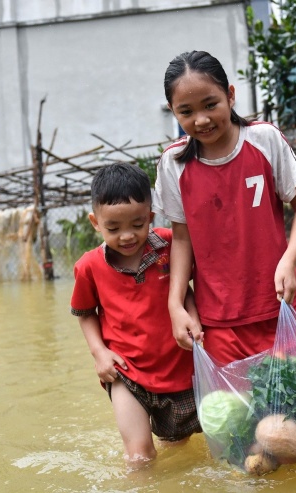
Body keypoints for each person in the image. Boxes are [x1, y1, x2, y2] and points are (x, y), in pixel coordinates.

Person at [153, 50, 296, 365]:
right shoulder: (173, 164)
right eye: (186, 111)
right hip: (217, 321)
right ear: (174, 113)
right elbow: (182, 238)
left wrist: (288, 261)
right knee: (238, 414)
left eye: (210, 105)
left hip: (281, 304)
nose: (201, 120)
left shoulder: (265, 140)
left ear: (230, 96)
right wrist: (176, 305)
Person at [70, 162, 201, 466]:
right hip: (126, 373)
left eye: (138, 225)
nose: (127, 236)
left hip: (179, 370)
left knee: (180, 447)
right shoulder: (89, 266)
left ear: (151, 217)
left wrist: (192, 316)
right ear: (95, 222)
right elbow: (84, 312)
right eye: (114, 228)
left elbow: (187, 288)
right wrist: (99, 353)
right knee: (139, 456)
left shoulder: (170, 245)